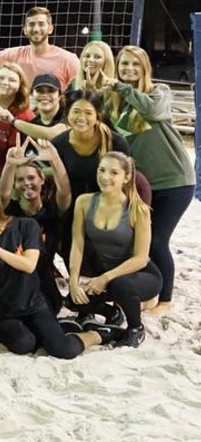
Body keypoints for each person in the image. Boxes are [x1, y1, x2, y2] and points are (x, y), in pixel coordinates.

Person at [0, 179, 117, 358]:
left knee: (63, 350)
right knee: (24, 345)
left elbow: (29, 265)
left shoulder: (25, 226)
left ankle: (99, 333)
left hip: (34, 303)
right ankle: (64, 327)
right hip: (4, 312)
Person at [103, 45, 195, 316]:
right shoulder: (114, 102)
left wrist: (122, 87)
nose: (129, 69)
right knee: (140, 243)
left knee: (157, 242)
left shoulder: (158, 92)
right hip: (145, 185)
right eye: (123, 64)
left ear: (145, 68)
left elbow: (153, 111)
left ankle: (166, 299)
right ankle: (150, 293)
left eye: (135, 64)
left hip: (175, 180)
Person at [67, 152, 159, 347]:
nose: (105, 177)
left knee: (121, 285)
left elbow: (141, 259)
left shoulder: (138, 210)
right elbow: (77, 243)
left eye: (114, 172)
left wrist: (105, 278)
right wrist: (73, 280)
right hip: (107, 275)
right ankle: (112, 314)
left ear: (126, 177)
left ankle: (136, 328)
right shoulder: (83, 202)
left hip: (142, 275)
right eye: (102, 170)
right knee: (74, 300)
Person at [0, 140, 73, 313]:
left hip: (44, 278)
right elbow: (2, 195)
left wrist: (54, 158)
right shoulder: (11, 211)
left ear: (41, 180)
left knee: (51, 310)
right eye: (20, 180)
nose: (26, 183)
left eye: (31, 178)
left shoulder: (52, 210)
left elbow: (65, 190)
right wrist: (10, 164)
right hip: (16, 279)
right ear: (15, 185)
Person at [50, 90, 132, 201]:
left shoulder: (116, 143)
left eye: (88, 113)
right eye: (76, 111)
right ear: (68, 113)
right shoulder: (57, 144)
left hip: (109, 205)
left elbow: (127, 184)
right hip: (71, 207)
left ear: (97, 116)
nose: (81, 117)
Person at [0, 6, 79, 90]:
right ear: (25, 30)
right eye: (31, 24)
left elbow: (80, 89)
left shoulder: (68, 59)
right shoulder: (15, 54)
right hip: (21, 109)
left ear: (50, 29)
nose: (36, 29)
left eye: (41, 24)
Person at [12, 73, 69, 140]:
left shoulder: (69, 116)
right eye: (40, 91)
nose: (45, 95)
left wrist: (13, 121)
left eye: (51, 91)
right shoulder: (32, 124)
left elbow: (53, 134)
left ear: (59, 95)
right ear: (32, 94)